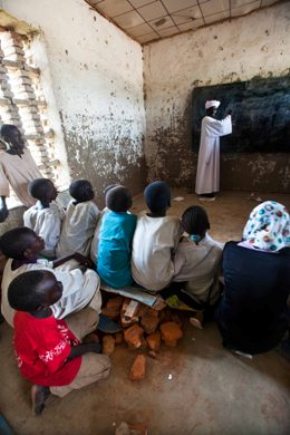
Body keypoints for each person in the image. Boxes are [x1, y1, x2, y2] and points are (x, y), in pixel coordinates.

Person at [8, 270, 111, 414]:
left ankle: (76, 350)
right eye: (55, 288)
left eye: (57, 282)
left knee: (92, 316)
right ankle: (47, 388)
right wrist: (90, 347)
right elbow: (65, 355)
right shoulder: (43, 332)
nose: (60, 285)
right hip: (45, 369)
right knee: (104, 365)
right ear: (42, 305)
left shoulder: (27, 310)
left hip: (48, 347)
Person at [216, 201, 290, 355]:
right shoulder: (286, 262)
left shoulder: (231, 250)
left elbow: (223, 277)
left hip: (229, 333)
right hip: (269, 341)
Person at [0, 227, 102, 327]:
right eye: (36, 239)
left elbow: (46, 265)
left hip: (14, 315)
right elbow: (74, 281)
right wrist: (83, 270)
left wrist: (72, 255)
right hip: (34, 319)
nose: (41, 238)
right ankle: (94, 308)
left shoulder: (14, 260)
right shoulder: (35, 276)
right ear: (28, 252)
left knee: (71, 264)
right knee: (91, 276)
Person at [168, 205, 223, 325]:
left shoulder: (182, 251)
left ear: (185, 228)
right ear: (207, 224)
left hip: (194, 300)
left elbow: (172, 276)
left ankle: (189, 311)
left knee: (167, 289)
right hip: (211, 296)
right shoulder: (219, 248)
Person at [131, 181, 183, 292]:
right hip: (161, 282)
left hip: (137, 278)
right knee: (183, 249)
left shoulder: (140, 216)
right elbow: (176, 247)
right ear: (168, 202)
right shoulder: (173, 222)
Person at [97, 185, 137, 288]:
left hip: (102, 273)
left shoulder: (106, 217)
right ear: (130, 203)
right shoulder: (131, 220)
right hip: (122, 279)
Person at [0, 124, 42, 221]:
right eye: (15, 136)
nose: (20, 139)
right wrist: (3, 205)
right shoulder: (2, 158)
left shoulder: (26, 151)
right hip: (30, 198)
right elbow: (2, 184)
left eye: (19, 135)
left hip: (45, 191)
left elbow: (36, 172)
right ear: (6, 139)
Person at [195, 100, 232, 201]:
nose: (215, 111)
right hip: (208, 148)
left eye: (215, 109)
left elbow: (219, 127)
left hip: (211, 146)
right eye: (213, 109)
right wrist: (228, 116)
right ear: (208, 110)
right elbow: (220, 125)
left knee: (210, 169)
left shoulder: (209, 120)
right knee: (207, 168)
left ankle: (209, 190)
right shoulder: (206, 119)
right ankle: (205, 191)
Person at [57, 180, 100, 257]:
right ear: (88, 192)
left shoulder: (71, 203)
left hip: (61, 252)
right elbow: (99, 221)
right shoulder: (89, 206)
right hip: (78, 255)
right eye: (91, 189)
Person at [23, 178, 64, 258]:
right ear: (48, 194)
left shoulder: (28, 212)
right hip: (48, 252)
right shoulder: (51, 216)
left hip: (36, 249)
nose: (56, 189)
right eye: (53, 188)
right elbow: (46, 242)